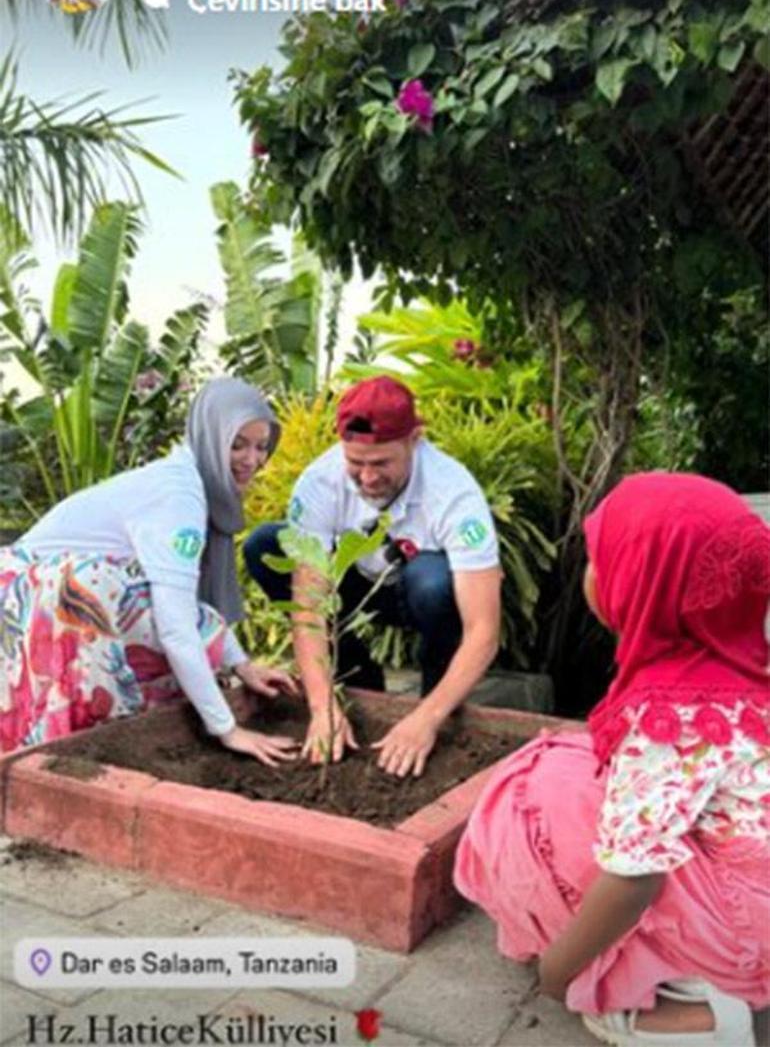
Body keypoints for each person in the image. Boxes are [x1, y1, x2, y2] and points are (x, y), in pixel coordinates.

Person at [454, 473, 770, 1045]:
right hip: (754, 883)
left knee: (531, 792)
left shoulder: (671, 719)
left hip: (745, 928)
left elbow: (634, 878)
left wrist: (558, 975)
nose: (591, 574)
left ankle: (689, 1000)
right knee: (574, 762)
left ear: (647, 580)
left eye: (605, 558)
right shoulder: (743, 665)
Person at [0, 378, 299, 765]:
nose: (252, 460)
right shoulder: (179, 497)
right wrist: (228, 729)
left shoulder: (194, 481)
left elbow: (192, 602)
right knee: (121, 596)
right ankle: (86, 743)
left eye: (262, 447)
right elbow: (178, 625)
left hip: (37, 592)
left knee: (166, 606)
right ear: (210, 436)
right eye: (237, 444)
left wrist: (242, 665)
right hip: (27, 596)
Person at [243, 376, 502, 778]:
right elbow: (309, 606)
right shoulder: (319, 483)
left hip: (420, 596)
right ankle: (360, 681)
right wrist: (321, 704)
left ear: (414, 439)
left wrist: (426, 719)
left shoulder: (454, 494)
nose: (366, 478)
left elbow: (483, 629)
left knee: (433, 582)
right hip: (357, 587)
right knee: (265, 544)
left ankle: (438, 708)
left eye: (381, 463)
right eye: (355, 464)